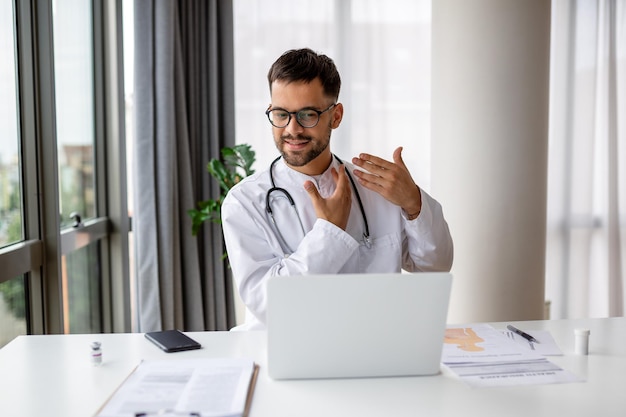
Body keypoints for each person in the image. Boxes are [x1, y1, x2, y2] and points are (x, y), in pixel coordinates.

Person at [222, 48, 453, 330]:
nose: (292, 129)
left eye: (308, 114)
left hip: (376, 348)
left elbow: (435, 268)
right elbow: (269, 305)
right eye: (281, 114)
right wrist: (329, 234)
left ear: (336, 116)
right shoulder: (244, 202)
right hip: (286, 355)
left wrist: (414, 204)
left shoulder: (378, 188)